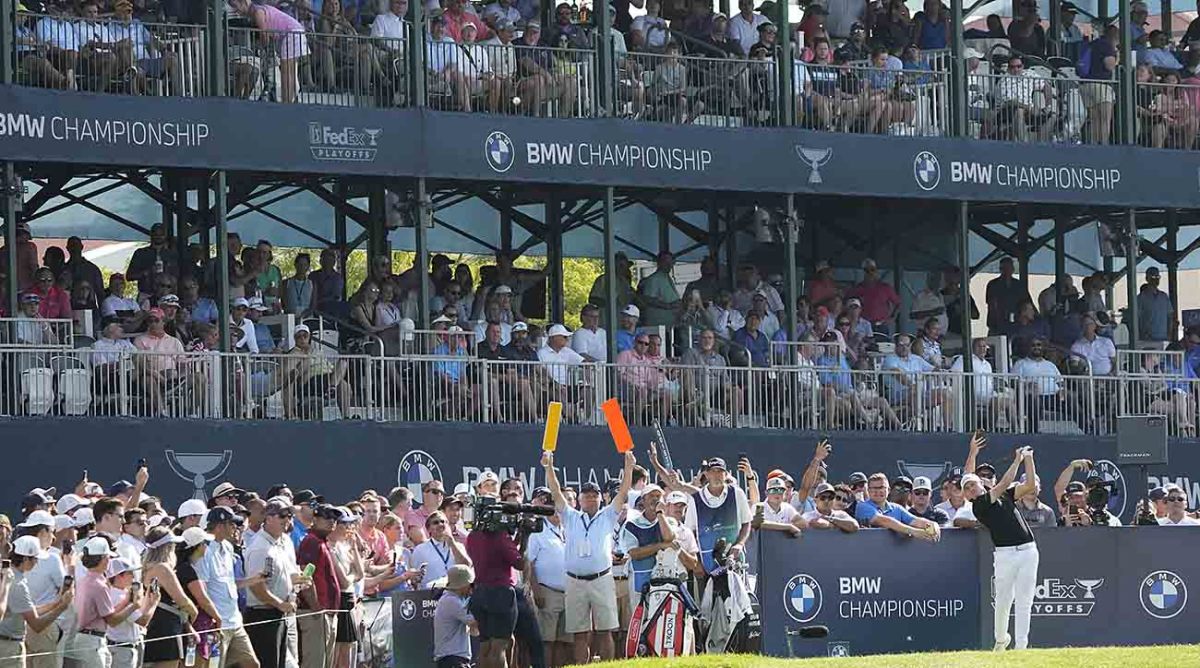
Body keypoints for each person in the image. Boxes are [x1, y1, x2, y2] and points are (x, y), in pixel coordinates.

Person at [541, 450, 633, 665]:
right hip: (575, 581)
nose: (590, 498)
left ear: (601, 499)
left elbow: (623, 491)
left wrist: (628, 467)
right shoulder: (570, 516)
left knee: (605, 630)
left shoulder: (608, 515)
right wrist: (548, 467)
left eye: (594, 495)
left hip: (601, 579)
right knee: (579, 633)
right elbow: (555, 492)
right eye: (586, 495)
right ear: (579, 499)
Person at [963, 446, 1039, 652]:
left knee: (1025, 599)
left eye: (973, 484)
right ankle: (1000, 639)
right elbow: (1005, 482)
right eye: (967, 488)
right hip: (1005, 554)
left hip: (1028, 551)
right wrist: (1017, 460)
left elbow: (1030, 485)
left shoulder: (1006, 495)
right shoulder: (978, 506)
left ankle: (1021, 645)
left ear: (982, 483)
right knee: (1004, 599)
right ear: (968, 496)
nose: (971, 489)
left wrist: (1029, 459)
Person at [463, 494, 537, 668]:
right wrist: (525, 537)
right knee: (499, 647)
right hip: (500, 594)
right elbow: (520, 563)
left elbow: (503, 549)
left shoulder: (473, 536)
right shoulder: (499, 536)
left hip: (480, 592)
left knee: (486, 645)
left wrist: (516, 536)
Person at [0, 535, 74, 668]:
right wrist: (62, 607)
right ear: (25, 558)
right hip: (9, 647)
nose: (36, 563)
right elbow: (36, 625)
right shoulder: (18, 583)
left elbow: (29, 611)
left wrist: (56, 603)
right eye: (35, 559)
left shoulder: (10, 575)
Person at [432, 564, 478, 668]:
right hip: (452, 660)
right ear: (462, 585)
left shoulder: (451, 599)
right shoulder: (452, 601)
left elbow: (474, 631)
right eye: (470, 584)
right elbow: (475, 623)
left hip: (453, 659)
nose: (472, 588)